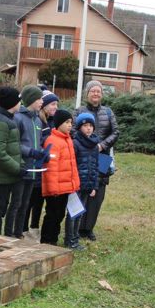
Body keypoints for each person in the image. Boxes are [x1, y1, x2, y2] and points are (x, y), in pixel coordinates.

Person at [74, 80, 119, 241]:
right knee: (82, 189)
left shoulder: (108, 112)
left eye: (98, 91)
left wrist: (102, 145)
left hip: (103, 156)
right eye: (92, 91)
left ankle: (89, 228)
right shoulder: (79, 111)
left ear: (101, 94)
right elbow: (73, 131)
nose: (95, 93)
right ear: (87, 93)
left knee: (98, 192)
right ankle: (77, 227)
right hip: (83, 156)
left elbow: (116, 132)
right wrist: (86, 145)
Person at [0, 86, 24, 236]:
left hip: (7, 175)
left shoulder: (8, 119)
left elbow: (12, 148)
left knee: (1, 209)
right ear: (12, 103)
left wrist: (20, 164)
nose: (21, 103)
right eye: (19, 101)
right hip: (0, 177)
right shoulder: (1, 122)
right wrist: (17, 168)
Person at [12, 85, 47, 238]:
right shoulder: (18, 118)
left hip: (34, 170)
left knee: (26, 204)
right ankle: (11, 233)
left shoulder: (38, 120)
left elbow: (37, 143)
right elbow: (15, 143)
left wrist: (42, 153)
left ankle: (20, 233)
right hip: (22, 168)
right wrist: (30, 152)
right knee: (17, 203)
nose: (42, 102)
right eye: (39, 99)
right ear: (31, 99)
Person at [41, 110, 80, 245]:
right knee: (52, 215)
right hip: (55, 189)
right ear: (58, 124)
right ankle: (47, 241)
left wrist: (74, 183)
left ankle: (54, 240)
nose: (70, 125)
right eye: (67, 122)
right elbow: (51, 168)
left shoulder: (68, 140)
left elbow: (72, 165)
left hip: (65, 187)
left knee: (59, 215)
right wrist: (53, 189)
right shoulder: (52, 141)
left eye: (71, 123)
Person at [24, 92, 59, 234]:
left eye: (57, 104)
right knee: (30, 200)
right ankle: (23, 229)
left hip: (46, 167)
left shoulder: (52, 121)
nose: (56, 107)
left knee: (39, 199)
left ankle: (34, 227)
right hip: (35, 166)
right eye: (53, 104)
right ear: (44, 105)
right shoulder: (38, 121)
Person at [67, 112, 100, 250]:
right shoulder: (75, 143)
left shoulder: (95, 145)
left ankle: (75, 237)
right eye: (85, 125)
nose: (88, 128)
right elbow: (71, 165)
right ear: (80, 127)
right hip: (76, 185)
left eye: (91, 125)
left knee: (80, 213)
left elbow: (96, 166)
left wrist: (94, 186)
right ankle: (70, 240)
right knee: (73, 213)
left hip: (88, 184)